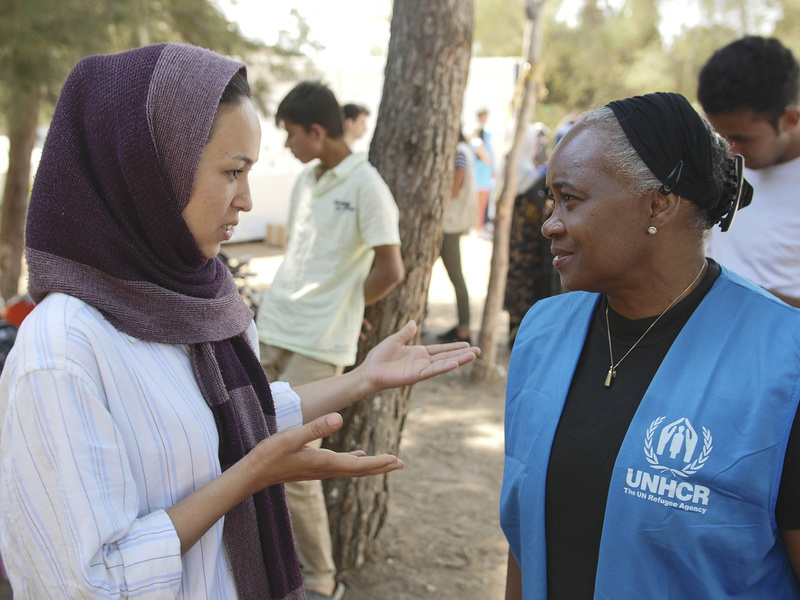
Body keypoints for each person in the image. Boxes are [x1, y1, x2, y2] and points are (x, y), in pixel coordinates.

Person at [0, 43, 479, 600]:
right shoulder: (63, 350)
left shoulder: (196, 300)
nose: (246, 200)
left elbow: (234, 416)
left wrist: (362, 379)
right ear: (149, 173)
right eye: (232, 172)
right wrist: (250, 476)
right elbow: (82, 585)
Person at [501, 92, 800, 599]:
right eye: (552, 200)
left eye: (570, 199)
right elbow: (526, 540)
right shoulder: (543, 332)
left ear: (658, 203)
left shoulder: (783, 362)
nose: (549, 223)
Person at [256, 80, 404, 600]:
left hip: (319, 344)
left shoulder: (367, 186)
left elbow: (391, 269)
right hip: (272, 326)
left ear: (317, 132)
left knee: (294, 467)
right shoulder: (306, 179)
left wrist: (349, 308)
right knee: (242, 448)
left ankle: (320, 581)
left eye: (291, 134)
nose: (287, 144)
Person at [698, 35, 800, 308]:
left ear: (790, 120)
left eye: (742, 138)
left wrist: (742, 297)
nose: (730, 152)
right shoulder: (722, 160)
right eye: (720, 136)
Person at [504, 123, 559, 348]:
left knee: (519, 279)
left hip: (518, 237)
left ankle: (516, 330)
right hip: (525, 240)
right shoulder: (527, 171)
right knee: (524, 279)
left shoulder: (517, 166)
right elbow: (531, 193)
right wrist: (546, 204)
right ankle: (518, 332)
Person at [436, 130, 477, 345]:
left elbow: (453, 188)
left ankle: (464, 328)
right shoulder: (465, 150)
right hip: (450, 223)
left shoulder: (460, 152)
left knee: (456, 276)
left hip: (449, 224)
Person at [470, 108, 494, 230]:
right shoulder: (477, 142)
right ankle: (477, 228)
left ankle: (477, 227)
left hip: (482, 178)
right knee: (479, 207)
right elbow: (487, 159)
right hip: (480, 180)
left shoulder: (483, 137)